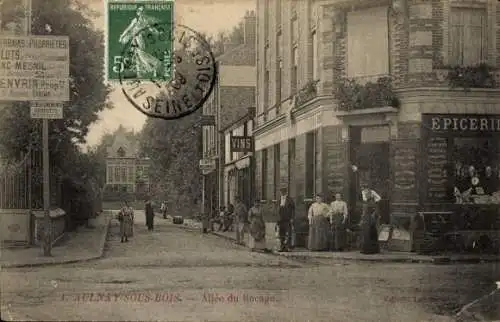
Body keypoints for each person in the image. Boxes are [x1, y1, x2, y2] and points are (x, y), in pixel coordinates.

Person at [360, 183, 381, 254]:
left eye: (364, 188)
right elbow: (365, 199)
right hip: (368, 212)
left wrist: (373, 199)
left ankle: (371, 249)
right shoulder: (367, 192)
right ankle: (368, 249)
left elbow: (379, 198)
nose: (364, 190)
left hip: (370, 211)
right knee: (367, 230)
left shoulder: (371, 192)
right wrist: (372, 198)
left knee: (370, 229)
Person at [277, 187, 295, 252]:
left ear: (286, 192)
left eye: (283, 192)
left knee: (288, 233)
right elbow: (277, 210)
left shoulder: (290, 200)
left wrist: (292, 218)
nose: (282, 193)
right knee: (281, 234)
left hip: (287, 219)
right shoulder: (279, 200)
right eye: (281, 192)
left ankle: (287, 247)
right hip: (280, 219)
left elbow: (293, 210)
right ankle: (282, 247)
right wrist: (277, 218)